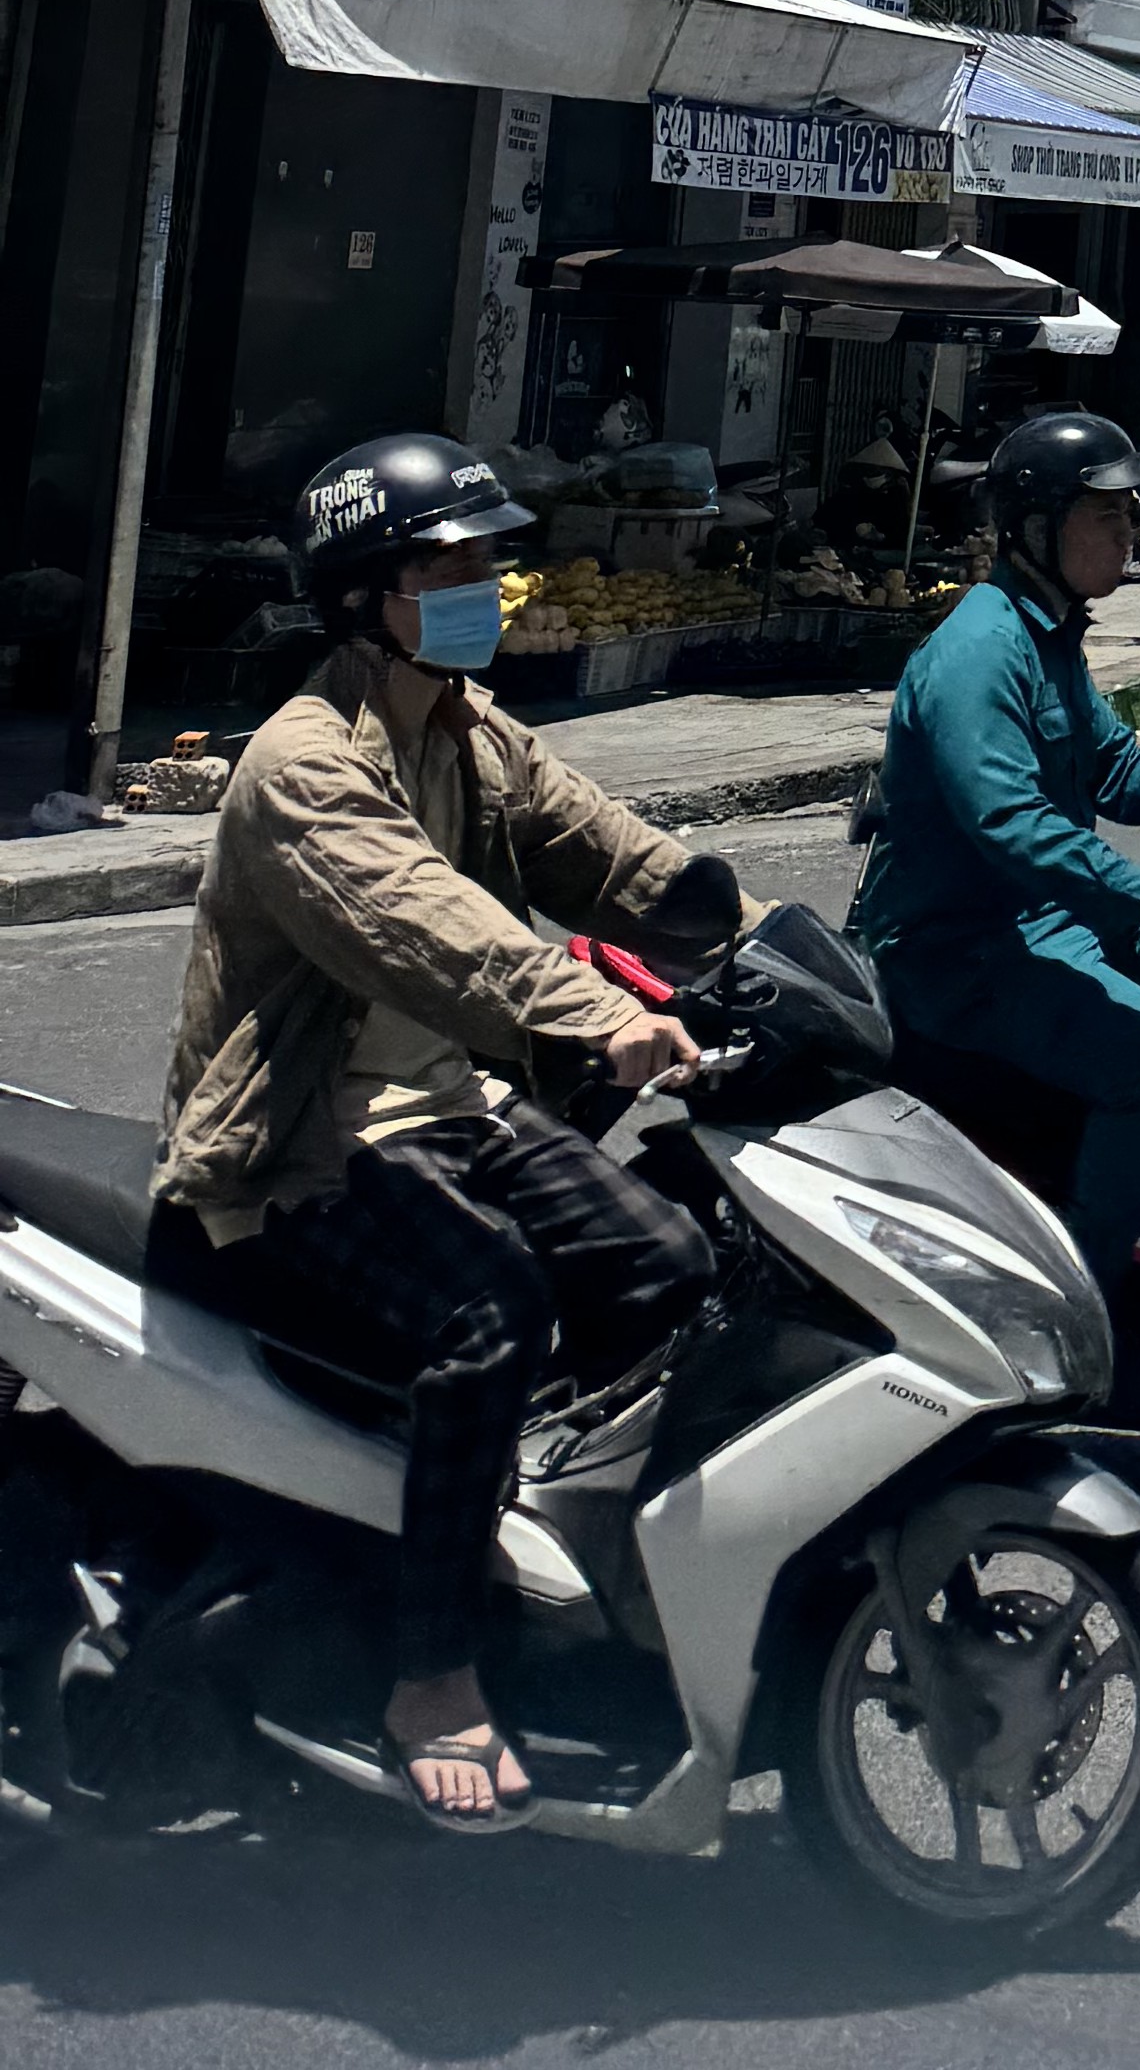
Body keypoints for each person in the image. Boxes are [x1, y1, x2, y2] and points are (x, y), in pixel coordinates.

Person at [158, 430, 725, 1829]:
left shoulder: (467, 727)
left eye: (488, 563)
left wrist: (748, 936)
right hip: (305, 1143)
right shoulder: (302, 764)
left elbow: (603, 849)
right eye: (449, 568)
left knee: (668, 1261)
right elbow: (427, 925)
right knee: (492, 1313)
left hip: (451, 1110)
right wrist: (592, 1012)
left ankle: (514, 1526)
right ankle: (430, 1676)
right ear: (365, 597)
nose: (485, 590)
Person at [855, 409, 1140, 1294]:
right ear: (1037, 529)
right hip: (965, 952)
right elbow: (1011, 824)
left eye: (1129, 516)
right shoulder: (979, 653)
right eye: (1106, 516)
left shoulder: (1048, 635)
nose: (1128, 535)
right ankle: (1089, 1298)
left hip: (1052, 920)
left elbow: (1118, 769)